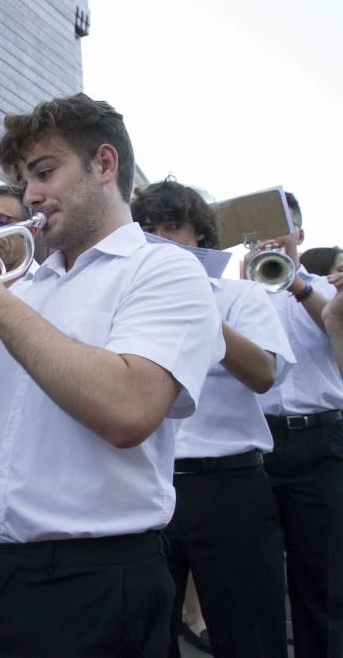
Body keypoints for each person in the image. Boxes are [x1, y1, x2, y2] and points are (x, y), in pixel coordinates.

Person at [0, 93, 222, 656]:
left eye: (45, 172)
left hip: (94, 585)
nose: (32, 195)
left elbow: (128, 410)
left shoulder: (164, 271)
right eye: (24, 180)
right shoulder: (25, 287)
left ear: (105, 164)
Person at [133, 178, 294, 657]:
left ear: (200, 234)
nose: (161, 237)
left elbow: (265, 374)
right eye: (148, 228)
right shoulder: (131, 297)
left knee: (249, 634)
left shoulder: (239, 296)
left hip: (229, 486)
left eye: (173, 226)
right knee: (145, 634)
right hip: (149, 481)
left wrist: (206, 314)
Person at [254, 192, 343, 657]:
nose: (273, 233)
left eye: (282, 224)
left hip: (321, 440)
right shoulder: (243, 291)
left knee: (322, 579)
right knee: (256, 579)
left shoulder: (329, 289)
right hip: (261, 445)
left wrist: (297, 287)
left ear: (300, 235)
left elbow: (336, 333)